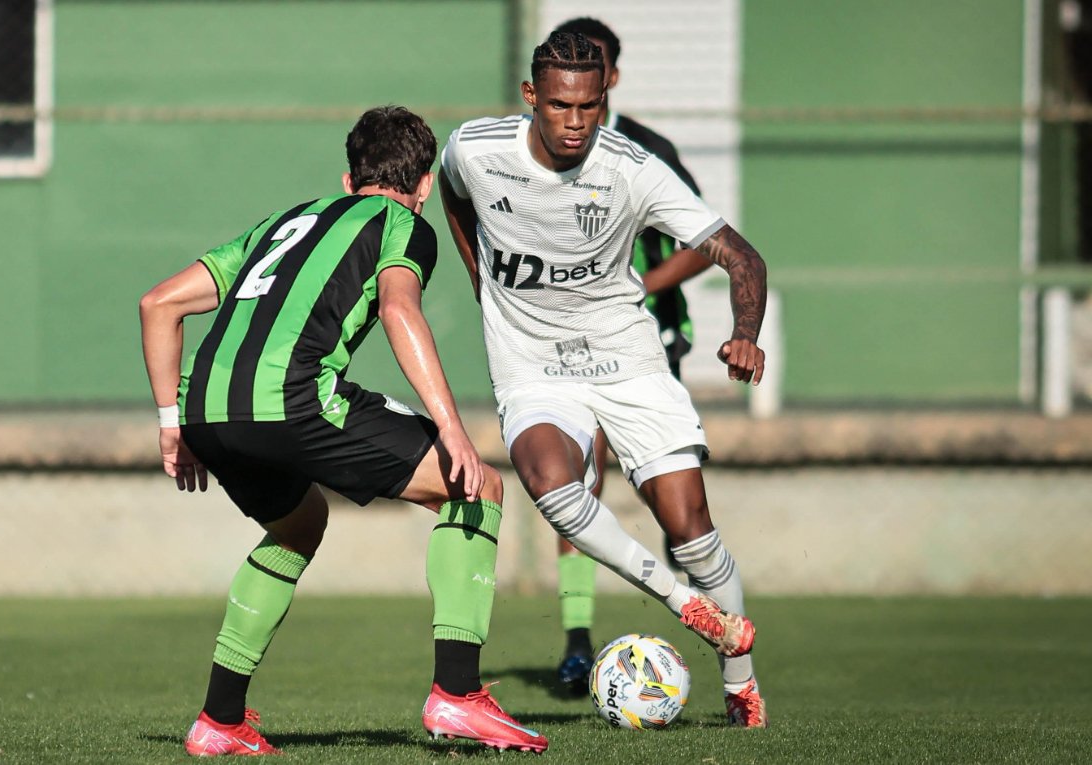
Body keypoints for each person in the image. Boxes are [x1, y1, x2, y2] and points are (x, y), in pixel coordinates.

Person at [139, 106, 548, 755]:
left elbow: (158, 302)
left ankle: (219, 718)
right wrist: (453, 430)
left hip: (208, 412)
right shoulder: (403, 225)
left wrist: (171, 422)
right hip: (295, 399)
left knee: (298, 524)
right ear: (420, 186)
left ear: (348, 176)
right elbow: (397, 306)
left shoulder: (283, 222)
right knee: (478, 487)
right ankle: (458, 695)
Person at [438, 33, 769, 728]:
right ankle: (686, 606)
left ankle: (741, 683)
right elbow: (452, 191)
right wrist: (480, 277)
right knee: (548, 476)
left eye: (590, 106)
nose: (575, 121)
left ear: (604, 100)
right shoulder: (475, 148)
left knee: (692, 531)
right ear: (532, 96)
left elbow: (740, 254)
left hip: (627, 361)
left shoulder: (633, 168)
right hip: (533, 364)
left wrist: (744, 331)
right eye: (560, 104)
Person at [546, 16, 715, 694]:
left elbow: (706, 242)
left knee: (671, 506)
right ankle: (578, 643)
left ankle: (705, 610)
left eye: (592, 65)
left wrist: (637, 285)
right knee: (578, 480)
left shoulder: (649, 151)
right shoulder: (533, 155)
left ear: (611, 75)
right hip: (568, 349)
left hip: (646, 342)